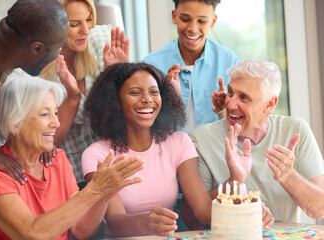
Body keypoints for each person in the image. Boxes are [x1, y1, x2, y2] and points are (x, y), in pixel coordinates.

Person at [81, 62, 273, 237]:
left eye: (154, 92)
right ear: (115, 101)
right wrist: (146, 222)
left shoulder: (179, 143)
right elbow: (114, 222)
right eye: (135, 92)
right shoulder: (97, 155)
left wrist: (247, 206)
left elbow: (203, 210)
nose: (147, 100)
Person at [0, 71, 144, 240]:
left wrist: (103, 197)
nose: (56, 123)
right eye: (45, 114)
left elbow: (81, 230)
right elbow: (32, 233)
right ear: (15, 123)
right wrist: (95, 190)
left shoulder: (57, 159)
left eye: (55, 112)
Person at [0, 0, 69, 238]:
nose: (60, 54)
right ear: (37, 49)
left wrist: (35, 139)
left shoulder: (5, 53)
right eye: (59, 47)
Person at [182, 59, 324, 229]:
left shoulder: (295, 130)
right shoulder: (201, 138)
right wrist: (236, 189)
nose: (230, 103)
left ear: (269, 104)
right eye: (230, 92)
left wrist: (288, 176)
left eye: (244, 97)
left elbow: (319, 209)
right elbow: (191, 219)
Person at [41, 0, 130, 186]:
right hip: (69, 172)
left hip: (111, 161)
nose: (86, 30)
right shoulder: (39, 70)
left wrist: (114, 74)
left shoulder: (101, 42)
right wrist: (72, 98)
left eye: (88, 19)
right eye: (74, 24)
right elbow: (48, 144)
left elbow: (126, 116)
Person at [143, 0, 238, 133]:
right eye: (185, 19)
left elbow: (239, 121)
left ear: (213, 21)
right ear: (174, 16)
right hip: (169, 151)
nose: (193, 28)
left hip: (214, 151)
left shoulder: (229, 61)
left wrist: (223, 110)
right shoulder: (152, 64)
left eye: (202, 21)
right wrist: (166, 97)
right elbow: (142, 124)